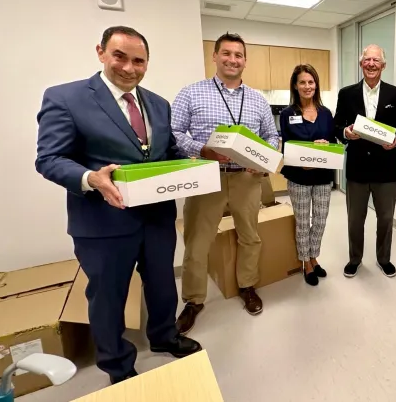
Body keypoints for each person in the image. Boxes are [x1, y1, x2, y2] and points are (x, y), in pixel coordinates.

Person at [35, 26, 201, 384]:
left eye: (138, 61)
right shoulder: (66, 98)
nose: (129, 68)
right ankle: (118, 366)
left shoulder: (158, 103)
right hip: (103, 222)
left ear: (147, 63)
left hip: (157, 218)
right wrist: (91, 178)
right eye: (120, 56)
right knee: (109, 297)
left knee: (161, 284)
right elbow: (49, 158)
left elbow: (165, 152)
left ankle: (164, 336)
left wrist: (195, 165)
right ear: (101, 52)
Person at [172, 33, 279, 334]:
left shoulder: (258, 98)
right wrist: (202, 150)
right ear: (215, 56)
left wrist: (263, 159)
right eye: (227, 54)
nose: (233, 59)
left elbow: (272, 136)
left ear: (245, 60)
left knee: (250, 237)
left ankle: (247, 286)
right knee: (197, 242)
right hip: (207, 178)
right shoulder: (192, 93)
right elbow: (174, 132)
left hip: (247, 179)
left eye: (239, 55)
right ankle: (193, 300)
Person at [334, 44, 396, 279]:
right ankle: (355, 258)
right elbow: (337, 124)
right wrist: (345, 132)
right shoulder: (347, 93)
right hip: (357, 169)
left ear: (383, 66)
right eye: (367, 60)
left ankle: (384, 259)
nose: (371, 64)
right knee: (355, 220)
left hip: (387, 170)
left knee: (385, 219)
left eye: (376, 60)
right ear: (361, 64)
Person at [279, 64, 336, 286]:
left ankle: (314, 256)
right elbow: (286, 146)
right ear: (295, 85)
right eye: (302, 82)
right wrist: (303, 160)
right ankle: (306, 263)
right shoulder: (287, 114)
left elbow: (333, 143)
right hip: (298, 177)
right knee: (303, 222)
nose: (307, 86)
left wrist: (325, 145)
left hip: (322, 176)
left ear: (316, 85)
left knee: (320, 220)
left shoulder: (326, 113)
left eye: (311, 82)